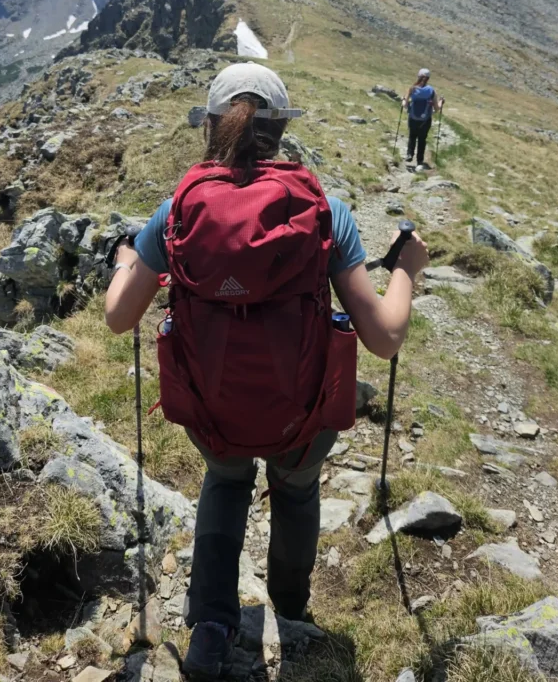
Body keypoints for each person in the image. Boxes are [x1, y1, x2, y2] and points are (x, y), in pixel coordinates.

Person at [105, 62, 429, 680]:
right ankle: (292, 608)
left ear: (210, 127)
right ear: (281, 130)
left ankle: (211, 627)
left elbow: (119, 317)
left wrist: (125, 261)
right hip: (302, 412)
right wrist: (407, 271)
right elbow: (385, 337)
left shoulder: (175, 213)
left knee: (225, 482)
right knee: (297, 490)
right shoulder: (326, 212)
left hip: (213, 408)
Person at [403, 68, 444, 170]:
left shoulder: (412, 88)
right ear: (428, 78)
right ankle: (419, 161)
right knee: (422, 139)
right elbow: (436, 108)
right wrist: (441, 102)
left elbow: (405, 105)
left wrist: (403, 100)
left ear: (418, 76)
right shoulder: (431, 91)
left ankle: (409, 154)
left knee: (412, 136)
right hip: (425, 120)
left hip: (412, 118)